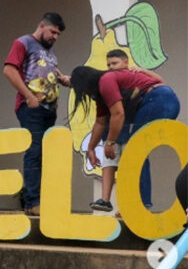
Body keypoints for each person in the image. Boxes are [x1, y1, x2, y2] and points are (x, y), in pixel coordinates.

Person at [70, 65, 180, 212]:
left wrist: (110, 142)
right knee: (133, 150)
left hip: (159, 100)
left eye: (83, 90)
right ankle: (117, 202)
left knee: (135, 150)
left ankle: (141, 203)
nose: (86, 94)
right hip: (155, 101)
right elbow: (101, 122)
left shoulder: (106, 81)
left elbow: (118, 114)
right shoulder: (101, 93)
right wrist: (91, 148)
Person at [4, 13, 71, 216]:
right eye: (52, 32)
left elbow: (45, 71)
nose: (55, 37)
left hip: (49, 110)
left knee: (45, 155)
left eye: (58, 34)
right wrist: (28, 96)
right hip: (31, 108)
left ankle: (43, 200)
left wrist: (62, 79)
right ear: (41, 26)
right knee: (34, 152)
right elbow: (9, 70)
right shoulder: (24, 42)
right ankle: (32, 202)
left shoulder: (50, 52)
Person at [105, 49, 161, 209]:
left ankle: (144, 205)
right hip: (120, 133)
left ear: (126, 62)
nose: (111, 67)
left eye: (114, 63)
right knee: (122, 172)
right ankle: (125, 208)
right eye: (108, 64)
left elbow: (159, 82)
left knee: (136, 168)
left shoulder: (134, 76)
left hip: (135, 132)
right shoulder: (110, 81)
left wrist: (143, 70)